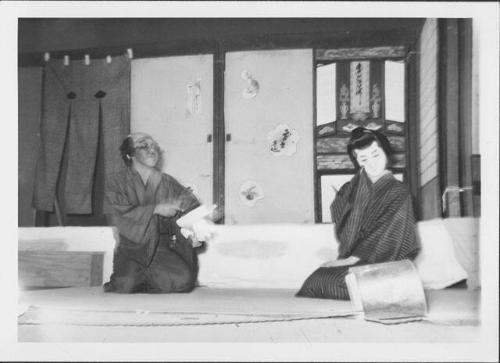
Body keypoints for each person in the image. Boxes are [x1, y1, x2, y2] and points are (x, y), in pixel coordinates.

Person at [297, 127, 420, 300]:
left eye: (376, 155)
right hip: (359, 261)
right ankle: (380, 290)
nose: (372, 163)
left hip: (387, 262)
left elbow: (391, 236)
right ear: (358, 162)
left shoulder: (399, 192)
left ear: (386, 153)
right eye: (364, 158)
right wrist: (354, 193)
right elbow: (344, 222)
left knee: (339, 282)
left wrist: (349, 261)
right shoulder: (354, 187)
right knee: (317, 280)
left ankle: (388, 288)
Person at [103, 132, 204, 294]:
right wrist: (156, 209)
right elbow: (118, 214)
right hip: (132, 249)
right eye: (144, 145)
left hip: (161, 248)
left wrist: (196, 230)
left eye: (154, 146)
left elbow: (190, 206)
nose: (152, 150)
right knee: (124, 287)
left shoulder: (167, 182)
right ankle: (139, 277)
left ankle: (151, 277)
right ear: (130, 154)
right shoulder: (115, 182)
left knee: (183, 283)